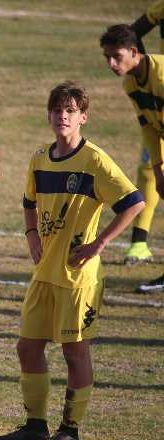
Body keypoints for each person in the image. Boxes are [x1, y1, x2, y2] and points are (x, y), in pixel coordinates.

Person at [0, 82, 144, 440]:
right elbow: (29, 201)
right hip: (44, 272)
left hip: (78, 277)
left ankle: (70, 432)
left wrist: (99, 243)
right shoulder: (40, 158)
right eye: (58, 109)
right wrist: (31, 235)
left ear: (83, 117)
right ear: (49, 115)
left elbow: (134, 202)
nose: (63, 115)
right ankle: (35, 427)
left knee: (75, 351)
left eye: (71, 110)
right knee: (28, 347)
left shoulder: (94, 161)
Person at [102, 24, 164, 293]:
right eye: (107, 58)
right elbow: (148, 126)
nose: (112, 63)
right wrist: (159, 169)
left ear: (134, 51)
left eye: (117, 56)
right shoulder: (131, 82)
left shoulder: (161, 76)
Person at [121, 4, 164, 266]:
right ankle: (139, 241)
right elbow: (132, 32)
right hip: (156, 93)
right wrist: (143, 70)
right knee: (149, 167)